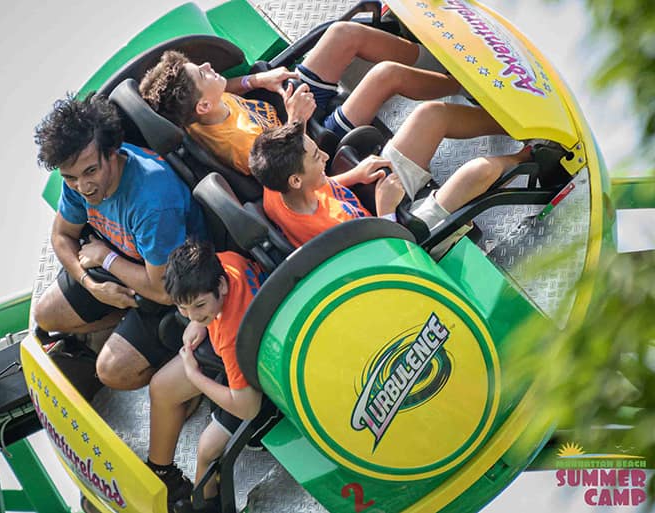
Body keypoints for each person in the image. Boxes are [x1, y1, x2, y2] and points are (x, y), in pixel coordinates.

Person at [32, 92, 207, 390]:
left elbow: (165, 292)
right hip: (126, 267)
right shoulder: (78, 179)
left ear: (113, 152)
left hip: (175, 286)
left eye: (90, 171)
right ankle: (120, 316)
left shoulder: (153, 203)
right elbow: (62, 235)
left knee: (112, 372)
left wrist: (105, 258)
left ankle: (182, 373)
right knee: (45, 315)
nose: (82, 186)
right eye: (70, 177)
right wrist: (92, 286)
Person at [139, 21, 462, 175]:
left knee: (342, 34)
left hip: (290, 106)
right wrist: (297, 120)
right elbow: (290, 170)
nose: (209, 67)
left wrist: (256, 80)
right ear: (203, 105)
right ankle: (460, 82)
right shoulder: (240, 144)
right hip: (310, 143)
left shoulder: (195, 112)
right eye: (202, 73)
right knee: (385, 76)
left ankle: (435, 54)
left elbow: (224, 88)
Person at [249, 101, 531, 256]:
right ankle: (531, 156)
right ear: (295, 181)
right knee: (478, 172)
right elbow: (390, 263)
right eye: (315, 157)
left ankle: (515, 120)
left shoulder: (275, 187)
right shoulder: (334, 237)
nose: (324, 156)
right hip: (402, 239)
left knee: (430, 115)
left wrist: (354, 175)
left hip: (379, 202)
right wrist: (386, 212)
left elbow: (313, 184)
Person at [146, 239, 275, 512]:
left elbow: (248, 407)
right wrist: (201, 321)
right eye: (183, 307)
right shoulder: (225, 263)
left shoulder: (233, 338)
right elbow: (203, 306)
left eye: (199, 306)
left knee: (206, 449)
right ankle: (162, 475)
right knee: (161, 386)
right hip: (241, 347)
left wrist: (194, 377)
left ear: (221, 286)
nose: (191, 314)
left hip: (264, 384)